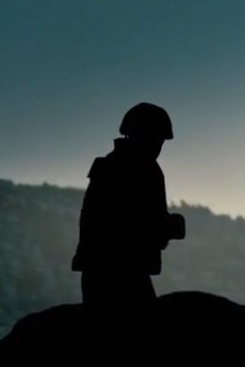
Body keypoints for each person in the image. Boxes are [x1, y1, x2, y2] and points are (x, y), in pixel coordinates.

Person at [71, 102, 185, 314]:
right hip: (123, 273)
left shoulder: (113, 164)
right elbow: (127, 225)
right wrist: (169, 227)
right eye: (157, 138)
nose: (159, 145)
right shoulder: (142, 168)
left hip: (103, 271)